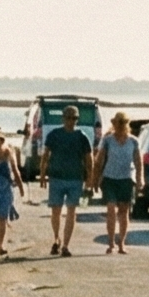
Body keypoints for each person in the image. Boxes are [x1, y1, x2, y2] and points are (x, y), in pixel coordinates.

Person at [41, 106, 94, 256]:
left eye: (74, 118)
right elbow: (46, 155)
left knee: (71, 211)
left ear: (77, 120)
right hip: (56, 177)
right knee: (55, 211)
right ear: (63, 118)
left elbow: (89, 159)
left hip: (75, 178)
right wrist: (43, 174)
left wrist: (90, 178)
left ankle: (65, 245)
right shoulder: (54, 135)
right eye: (68, 118)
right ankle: (56, 238)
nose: (71, 121)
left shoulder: (81, 136)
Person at [95, 112, 140, 254]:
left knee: (123, 211)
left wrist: (140, 179)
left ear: (127, 124)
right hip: (109, 178)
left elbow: (139, 162)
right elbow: (99, 160)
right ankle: (111, 243)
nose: (120, 125)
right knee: (111, 209)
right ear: (114, 124)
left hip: (126, 179)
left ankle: (121, 243)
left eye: (123, 122)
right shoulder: (107, 140)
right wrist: (95, 179)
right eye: (118, 123)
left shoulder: (133, 141)